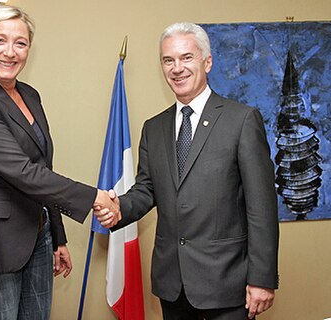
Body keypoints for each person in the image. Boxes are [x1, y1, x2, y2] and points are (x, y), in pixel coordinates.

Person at [95, 22, 279, 320]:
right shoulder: (153, 128)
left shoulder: (241, 121)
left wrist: (262, 278)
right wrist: (118, 209)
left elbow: (262, 208)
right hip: (173, 284)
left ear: (207, 61)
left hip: (227, 283)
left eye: (186, 57)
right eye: (168, 60)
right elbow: (147, 189)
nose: (176, 68)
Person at [0, 6, 119, 320]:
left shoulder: (29, 95)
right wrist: (93, 196)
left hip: (37, 235)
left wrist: (58, 236)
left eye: (21, 43)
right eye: (0, 41)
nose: (10, 52)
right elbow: (19, 170)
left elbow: (41, 167)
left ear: (29, 48)